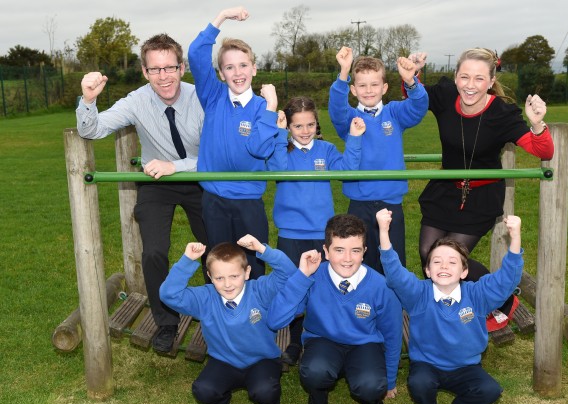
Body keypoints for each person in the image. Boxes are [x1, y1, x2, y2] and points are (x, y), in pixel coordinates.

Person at [76, 33, 208, 354]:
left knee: (216, 246)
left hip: (202, 177)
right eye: (156, 70)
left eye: (170, 68)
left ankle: (218, 310)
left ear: (182, 68)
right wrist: (89, 100)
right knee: (153, 252)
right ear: (145, 72)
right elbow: (91, 130)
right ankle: (165, 322)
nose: (164, 77)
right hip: (156, 183)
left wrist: (176, 166)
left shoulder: (202, 97)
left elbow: (217, 154)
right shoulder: (137, 100)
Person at [408, 48, 553, 330]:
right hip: (445, 190)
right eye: (464, 77)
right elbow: (415, 96)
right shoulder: (446, 95)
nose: (470, 85)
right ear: (455, 77)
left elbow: (542, 149)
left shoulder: (502, 112)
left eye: (478, 78)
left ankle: (502, 299)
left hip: (481, 196)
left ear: (490, 80)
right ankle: (449, 310)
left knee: (451, 256)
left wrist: (537, 124)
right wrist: (412, 76)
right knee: (429, 252)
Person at [376, 208, 524, 404]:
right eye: (436, 262)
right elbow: (395, 274)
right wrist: (384, 231)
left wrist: (515, 238)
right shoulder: (418, 295)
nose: (444, 266)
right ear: (427, 270)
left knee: (490, 389)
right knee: (419, 383)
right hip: (427, 365)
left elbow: (506, 281)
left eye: (452, 262)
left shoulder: (477, 295)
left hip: (466, 367)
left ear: (464, 272)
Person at [267, 214, 402, 404]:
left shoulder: (380, 286)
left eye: (355, 250)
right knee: (315, 371)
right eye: (339, 250)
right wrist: (302, 276)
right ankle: (318, 403)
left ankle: (370, 400)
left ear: (365, 252)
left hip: (364, 343)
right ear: (326, 251)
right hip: (323, 340)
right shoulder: (312, 277)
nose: (347, 258)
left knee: (372, 384)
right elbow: (275, 320)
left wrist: (391, 380)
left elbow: (393, 334)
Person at [160, 234, 304, 404]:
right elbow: (168, 294)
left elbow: (288, 275)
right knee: (203, 390)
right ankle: (221, 401)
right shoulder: (205, 298)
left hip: (261, 360)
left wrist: (263, 250)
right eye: (219, 278)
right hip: (223, 361)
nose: (227, 284)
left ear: (247, 272)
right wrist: (187, 261)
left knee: (265, 390)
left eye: (234, 276)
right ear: (210, 276)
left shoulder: (260, 290)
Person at [267, 97, 365, 367]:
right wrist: (277, 134)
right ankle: (296, 342)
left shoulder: (326, 149)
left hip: (321, 234)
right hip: (290, 234)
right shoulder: (282, 149)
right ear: (289, 127)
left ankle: (322, 339)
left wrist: (354, 138)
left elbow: (348, 171)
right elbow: (278, 171)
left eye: (310, 124)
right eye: (298, 126)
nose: (305, 130)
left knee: (323, 288)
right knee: (294, 287)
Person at [188, 6, 282, 279]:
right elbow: (195, 54)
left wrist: (271, 107)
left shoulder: (262, 108)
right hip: (215, 198)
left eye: (243, 65)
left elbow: (259, 148)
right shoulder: (214, 96)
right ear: (221, 74)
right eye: (229, 67)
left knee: (252, 261)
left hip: (248, 200)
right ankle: (218, 318)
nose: (237, 72)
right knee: (217, 260)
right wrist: (221, 17)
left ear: (254, 68)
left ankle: (254, 317)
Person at [328, 46, 429, 274]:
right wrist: (344, 72)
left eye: (374, 85)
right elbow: (336, 108)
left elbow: (418, 107)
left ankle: (393, 307)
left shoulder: (394, 113)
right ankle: (362, 306)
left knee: (392, 262)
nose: (369, 90)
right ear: (353, 90)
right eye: (362, 85)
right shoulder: (349, 118)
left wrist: (411, 81)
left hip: (390, 203)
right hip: (359, 203)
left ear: (384, 87)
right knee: (358, 261)